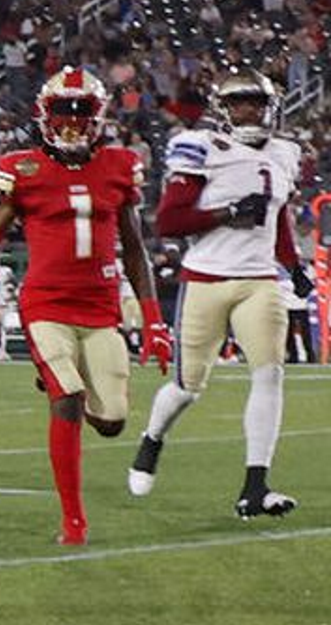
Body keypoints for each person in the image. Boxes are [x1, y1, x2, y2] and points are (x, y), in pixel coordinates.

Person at [0, 69, 170, 545]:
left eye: (81, 111)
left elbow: (134, 249)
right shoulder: (24, 170)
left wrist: (154, 322)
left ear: (98, 116)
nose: (71, 121)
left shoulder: (118, 166)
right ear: (46, 115)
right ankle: (74, 521)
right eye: (63, 110)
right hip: (45, 304)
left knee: (111, 422)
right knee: (66, 398)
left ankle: (60, 375)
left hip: (100, 308)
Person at [127, 69, 304, 517]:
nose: (249, 111)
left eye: (257, 103)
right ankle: (152, 440)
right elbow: (169, 221)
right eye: (240, 103)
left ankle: (255, 487)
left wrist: (294, 267)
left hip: (260, 280)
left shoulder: (285, 152)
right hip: (206, 278)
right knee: (188, 387)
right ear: (223, 110)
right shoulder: (202, 146)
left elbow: (276, 216)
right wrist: (226, 213)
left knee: (269, 374)